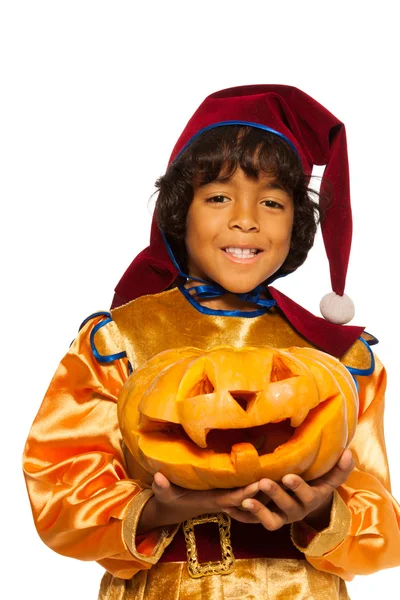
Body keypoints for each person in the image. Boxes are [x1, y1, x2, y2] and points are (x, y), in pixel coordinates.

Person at [23, 85, 400, 600]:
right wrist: (159, 510)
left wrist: (317, 510)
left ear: (297, 223)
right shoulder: (120, 340)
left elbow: (383, 522)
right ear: (180, 212)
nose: (245, 219)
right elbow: (59, 491)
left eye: (272, 202)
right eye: (219, 197)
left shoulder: (338, 359)